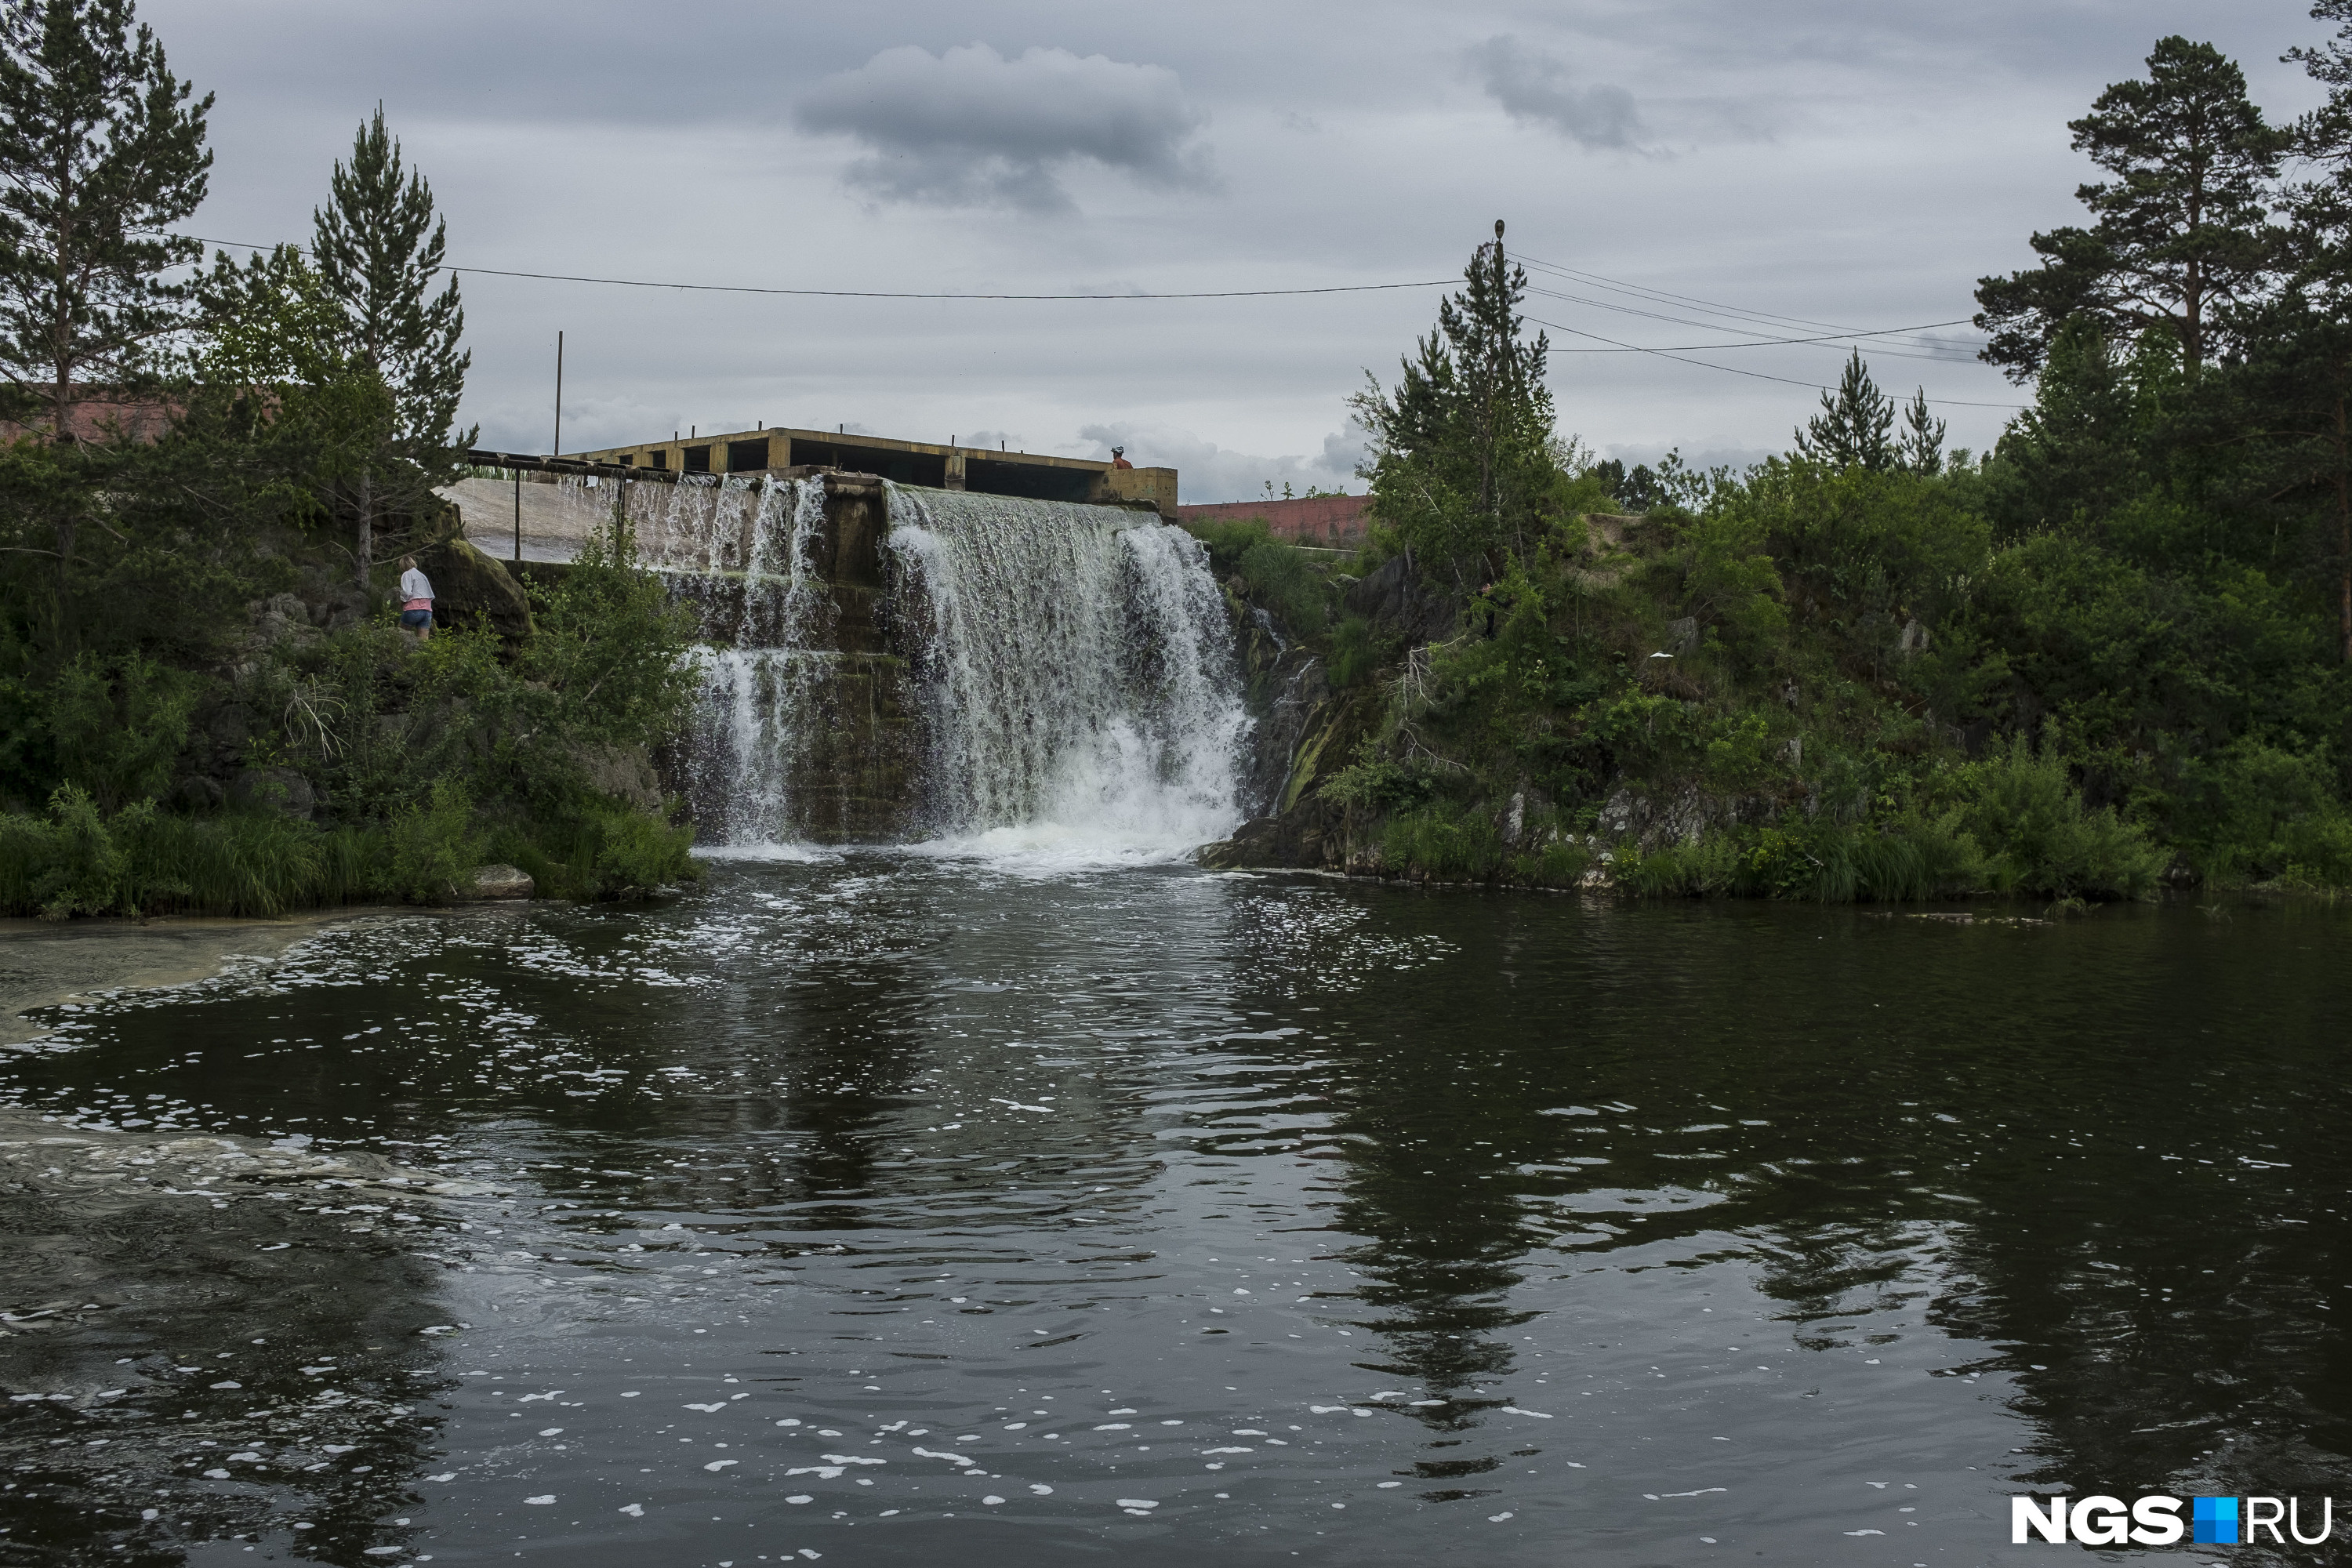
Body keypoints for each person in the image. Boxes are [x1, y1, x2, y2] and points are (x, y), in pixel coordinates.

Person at [398, 554, 435, 642]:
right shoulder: (422, 576)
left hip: (413, 609)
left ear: (402, 565)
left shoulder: (407, 574)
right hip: (427, 611)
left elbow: (407, 592)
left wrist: (402, 600)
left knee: (400, 634)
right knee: (423, 641)